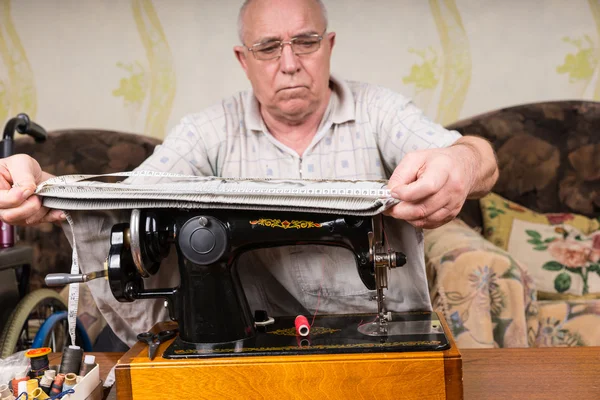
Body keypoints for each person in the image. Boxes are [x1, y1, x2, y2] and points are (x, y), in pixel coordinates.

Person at [0, 0, 498, 347]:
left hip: (371, 322)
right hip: (253, 334)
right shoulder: (208, 131)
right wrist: (45, 190)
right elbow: (135, 199)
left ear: (329, 45)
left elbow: (479, 158)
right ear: (244, 59)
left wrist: (461, 162)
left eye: (305, 42)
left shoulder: (379, 111)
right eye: (268, 47)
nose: (289, 64)